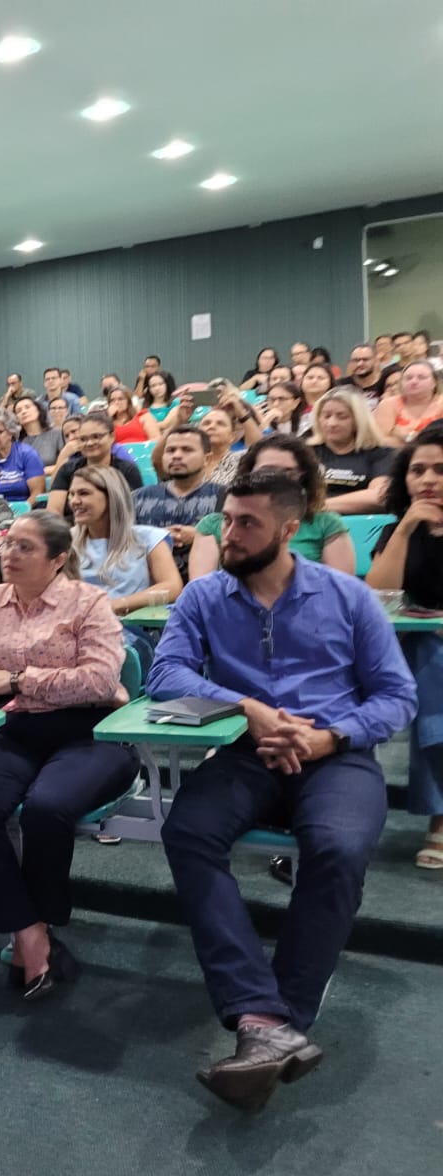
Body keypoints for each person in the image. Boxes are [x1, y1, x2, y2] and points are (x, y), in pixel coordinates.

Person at [148, 472, 415, 1111]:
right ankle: (269, 1022)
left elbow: (397, 696)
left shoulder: (347, 597)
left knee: (339, 849)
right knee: (187, 831)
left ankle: (271, 1021)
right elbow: (166, 674)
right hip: (245, 751)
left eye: (247, 523)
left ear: (290, 530)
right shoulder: (205, 595)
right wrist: (248, 707)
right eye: (226, 520)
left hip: (337, 757)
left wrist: (329, 737)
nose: (228, 534)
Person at [0, 510, 138, 999]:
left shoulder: (89, 602)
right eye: (8, 545)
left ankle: (39, 928)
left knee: (48, 809)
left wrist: (18, 680)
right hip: (20, 728)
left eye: (25, 547)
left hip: (91, 730)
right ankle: (31, 933)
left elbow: (100, 680)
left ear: (58, 559)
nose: (9, 554)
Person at [365, 426, 443, 869]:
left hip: (430, 648)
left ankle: (441, 819)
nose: (427, 479)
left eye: (440, 469)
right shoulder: (398, 528)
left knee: (434, 663)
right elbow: (378, 598)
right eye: (417, 470)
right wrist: (409, 526)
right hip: (407, 643)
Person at [188, 435, 355, 577]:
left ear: (303, 478)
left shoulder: (327, 524)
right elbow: (200, 593)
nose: (277, 479)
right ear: (248, 473)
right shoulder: (213, 525)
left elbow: (341, 595)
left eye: (288, 473)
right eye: (267, 471)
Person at [67, 466, 183, 614]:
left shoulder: (149, 538)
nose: (74, 501)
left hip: (132, 627)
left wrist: (118, 605)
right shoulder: (66, 541)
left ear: (111, 496)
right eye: (71, 494)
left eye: (84, 493)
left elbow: (172, 588)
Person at [133, 424, 223, 579]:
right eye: (170, 450)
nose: (177, 455)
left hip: (209, 586)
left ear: (206, 459)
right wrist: (155, 538)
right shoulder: (139, 497)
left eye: (187, 450)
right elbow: (119, 543)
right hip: (151, 588)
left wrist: (201, 536)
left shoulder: (226, 496)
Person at [311, 386, 394, 514]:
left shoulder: (382, 453)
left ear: (358, 419)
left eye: (342, 417)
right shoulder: (306, 452)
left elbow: (379, 496)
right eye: (326, 416)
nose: (331, 423)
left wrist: (318, 506)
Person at [47, 413, 142, 517]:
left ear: (112, 437)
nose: (89, 443)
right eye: (83, 439)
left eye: (96, 437)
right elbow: (54, 511)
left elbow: (134, 509)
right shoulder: (67, 469)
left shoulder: (127, 470)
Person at [0, 408, 46, 508]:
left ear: (10, 433)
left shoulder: (26, 453)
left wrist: (22, 509)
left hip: (25, 510)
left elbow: (38, 492)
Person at [374, 361, 443, 447]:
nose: (414, 381)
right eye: (408, 378)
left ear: (435, 382)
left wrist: (407, 437)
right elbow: (378, 441)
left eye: (422, 377)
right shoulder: (388, 404)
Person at [15, 395, 62, 468]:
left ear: (38, 410)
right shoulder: (17, 443)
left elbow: (65, 464)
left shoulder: (57, 434)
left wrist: (37, 473)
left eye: (27, 407)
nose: (23, 412)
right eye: (19, 411)